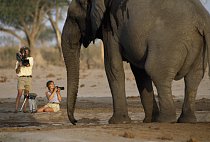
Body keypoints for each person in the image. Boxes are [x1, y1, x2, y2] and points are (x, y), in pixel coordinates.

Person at [15, 46, 33, 113]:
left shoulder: (30, 58)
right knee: (19, 94)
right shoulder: (18, 61)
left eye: (26, 52)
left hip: (28, 78)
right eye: (24, 52)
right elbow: (17, 71)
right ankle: (16, 109)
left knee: (26, 94)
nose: (25, 53)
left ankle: (24, 109)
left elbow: (27, 64)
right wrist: (19, 65)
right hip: (21, 78)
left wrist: (21, 61)